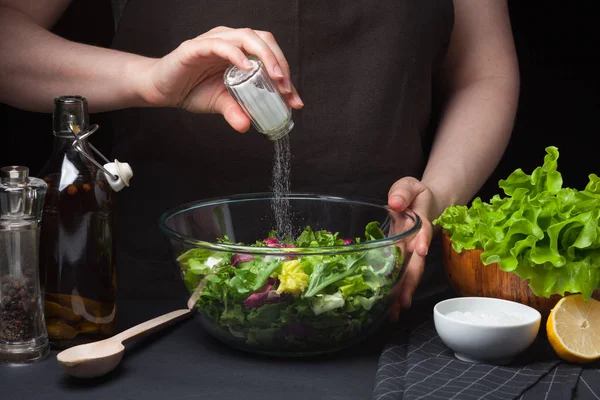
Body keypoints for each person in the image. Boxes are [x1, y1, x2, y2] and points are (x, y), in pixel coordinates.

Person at [0, 0, 519, 318]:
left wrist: (441, 194)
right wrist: (150, 79)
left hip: (388, 292)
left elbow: (483, 71)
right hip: (162, 302)